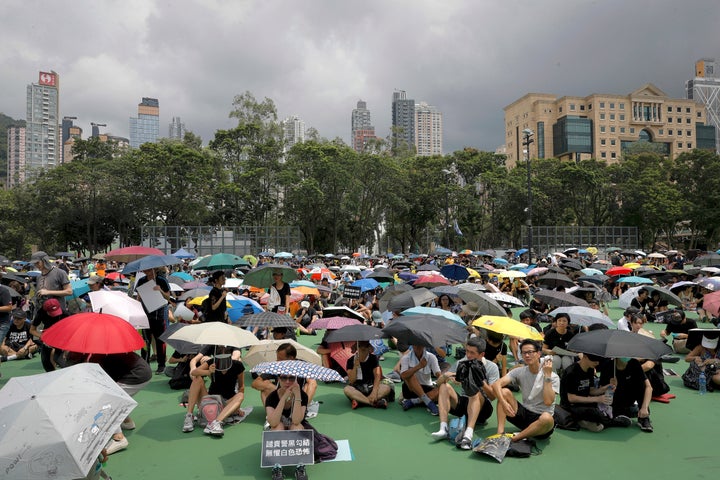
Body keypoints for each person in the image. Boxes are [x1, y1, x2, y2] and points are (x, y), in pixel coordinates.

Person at [431, 337, 499, 449]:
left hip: (483, 409)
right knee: (444, 387)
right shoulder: (461, 363)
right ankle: (443, 428)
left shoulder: (492, 367)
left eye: (472, 353)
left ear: (482, 354)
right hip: (464, 405)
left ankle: (468, 435)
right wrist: (445, 376)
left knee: (475, 392)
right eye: (467, 351)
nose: (468, 355)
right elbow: (437, 384)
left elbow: (492, 396)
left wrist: (481, 382)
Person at [492, 339, 559, 442]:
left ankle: (515, 438)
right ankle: (500, 433)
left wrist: (547, 376)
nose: (527, 355)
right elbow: (496, 384)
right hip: (524, 415)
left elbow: (548, 401)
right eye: (524, 353)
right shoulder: (520, 371)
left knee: (547, 418)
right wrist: (503, 402)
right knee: (504, 392)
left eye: (530, 352)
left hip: (541, 423)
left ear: (538, 354)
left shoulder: (553, 377)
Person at [88, 352, 153, 454]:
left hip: (136, 374)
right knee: (115, 399)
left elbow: (105, 382)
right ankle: (127, 422)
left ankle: (119, 438)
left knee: (108, 402)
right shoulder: (103, 351)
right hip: (143, 371)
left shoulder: (97, 357)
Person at [182, 346, 247, 436]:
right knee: (197, 379)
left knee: (240, 395)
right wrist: (208, 372)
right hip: (210, 400)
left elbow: (241, 387)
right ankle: (189, 416)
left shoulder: (237, 365)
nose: (223, 362)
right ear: (216, 358)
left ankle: (216, 423)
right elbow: (194, 372)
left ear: (230, 357)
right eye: (220, 359)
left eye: (226, 358)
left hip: (226, 403)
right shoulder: (212, 363)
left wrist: (237, 407)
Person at [560, 352, 631, 432]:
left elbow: (591, 391)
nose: (597, 363)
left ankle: (587, 421)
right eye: (594, 360)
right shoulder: (571, 372)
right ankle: (612, 422)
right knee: (594, 412)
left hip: (585, 404)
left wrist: (605, 388)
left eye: (598, 360)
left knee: (606, 405)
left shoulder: (590, 369)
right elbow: (571, 398)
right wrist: (597, 399)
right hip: (570, 407)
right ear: (585, 357)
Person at [599, 357, 654, 433]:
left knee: (641, 385)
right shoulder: (608, 366)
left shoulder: (634, 363)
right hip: (615, 399)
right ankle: (617, 415)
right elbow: (601, 391)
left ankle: (644, 417)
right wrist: (610, 387)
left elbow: (649, 387)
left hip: (630, 397)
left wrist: (644, 407)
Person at [135, 267, 172, 374]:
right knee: (145, 341)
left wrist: (160, 290)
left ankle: (161, 365)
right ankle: (145, 364)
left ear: (154, 269)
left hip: (159, 315)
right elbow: (139, 297)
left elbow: (168, 297)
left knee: (160, 340)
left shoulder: (161, 280)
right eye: (145, 270)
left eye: (149, 269)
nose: (147, 272)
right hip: (145, 315)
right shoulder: (141, 281)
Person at [344, 340, 393, 409]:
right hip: (357, 388)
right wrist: (355, 366)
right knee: (347, 389)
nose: (363, 349)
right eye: (360, 346)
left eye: (366, 346)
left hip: (371, 387)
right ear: (356, 348)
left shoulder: (373, 358)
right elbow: (352, 380)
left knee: (386, 388)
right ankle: (372, 403)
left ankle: (361, 401)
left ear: (369, 348)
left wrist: (374, 392)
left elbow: (377, 376)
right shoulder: (351, 360)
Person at [399, 344, 441, 415]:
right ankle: (429, 403)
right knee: (410, 375)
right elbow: (403, 376)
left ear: (424, 345)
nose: (418, 347)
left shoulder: (431, 357)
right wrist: (419, 366)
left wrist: (445, 377)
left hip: (427, 388)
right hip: (411, 390)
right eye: (415, 344)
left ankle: (414, 401)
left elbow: (438, 374)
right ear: (412, 345)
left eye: (420, 344)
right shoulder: (406, 358)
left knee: (444, 388)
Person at [30, 298, 69, 371]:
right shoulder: (41, 313)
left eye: (56, 311)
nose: (55, 315)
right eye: (52, 312)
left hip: (62, 336)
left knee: (59, 359)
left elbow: (70, 330)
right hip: (47, 336)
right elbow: (32, 330)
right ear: (46, 310)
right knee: (46, 362)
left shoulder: (64, 314)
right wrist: (43, 336)